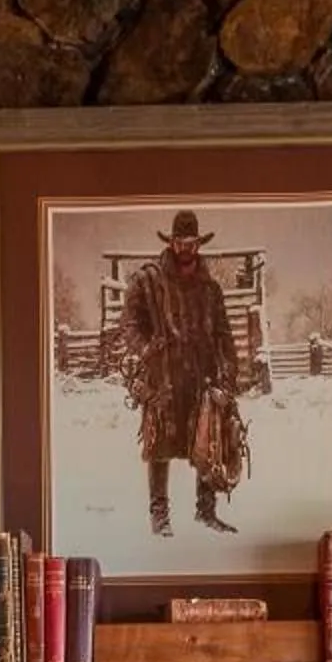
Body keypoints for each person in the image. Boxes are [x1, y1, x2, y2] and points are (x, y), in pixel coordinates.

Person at [120, 210, 242, 536]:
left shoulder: (211, 290)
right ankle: (159, 517)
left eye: (191, 242)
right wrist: (147, 349)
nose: (185, 249)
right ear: (171, 242)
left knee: (208, 440)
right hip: (165, 376)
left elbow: (224, 335)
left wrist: (229, 374)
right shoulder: (150, 283)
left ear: (198, 244)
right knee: (159, 443)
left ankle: (206, 511)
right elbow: (129, 325)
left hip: (202, 376)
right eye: (180, 242)